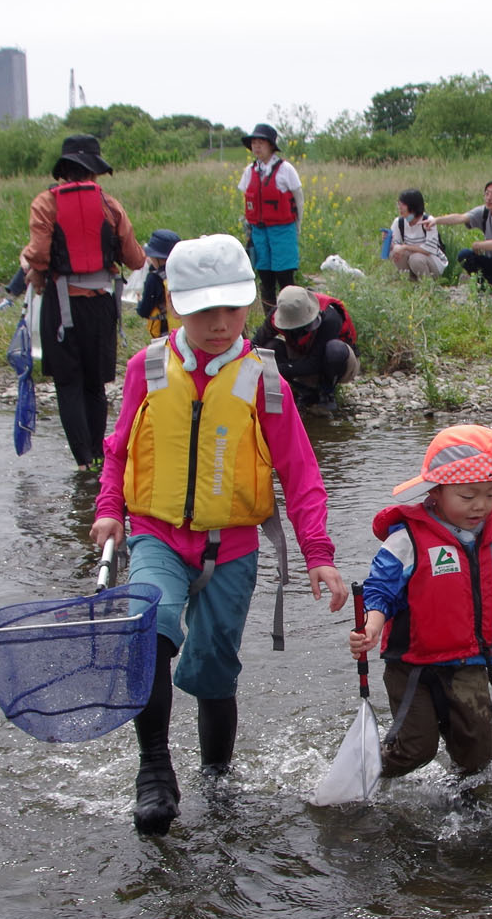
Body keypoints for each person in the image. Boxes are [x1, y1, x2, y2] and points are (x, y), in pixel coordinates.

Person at [92, 234, 346, 835]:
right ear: (176, 305)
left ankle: (217, 778)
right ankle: (154, 768)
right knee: (147, 624)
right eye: (203, 309)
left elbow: (301, 472)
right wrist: (109, 509)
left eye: (231, 309)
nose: (219, 323)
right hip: (156, 535)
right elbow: (118, 447)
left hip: (232, 547)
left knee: (213, 667)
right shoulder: (147, 367)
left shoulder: (264, 379)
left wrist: (319, 554)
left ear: (248, 308)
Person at [349, 425, 492, 778]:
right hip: (413, 665)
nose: (481, 506)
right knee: (416, 748)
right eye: (468, 496)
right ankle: (362, 774)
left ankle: (464, 807)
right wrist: (372, 626)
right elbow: (380, 590)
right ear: (436, 492)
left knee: (477, 756)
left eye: (490, 494)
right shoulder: (407, 539)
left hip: (469, 661)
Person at [20, 133, 146, 471]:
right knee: (95, 384)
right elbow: (135, 259)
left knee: (68, 384)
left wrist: (27, 261)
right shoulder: (110, 205)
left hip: (61, 309)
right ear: (93, 172)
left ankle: (82, 461)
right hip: (101, 307)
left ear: (64, 170)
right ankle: (100, 454)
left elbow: (39, 255)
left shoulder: (44, 204)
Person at [253, 284, 359, 415]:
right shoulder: (279, 312)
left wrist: (276, 370)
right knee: (270, 347)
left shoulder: (330, 317)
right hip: (303, 356)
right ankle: (302, 391)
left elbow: (315, 363)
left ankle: (327, 392)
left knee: (335, 350)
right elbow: (255, 344)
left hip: (338, 363)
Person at [238, 122, 304, 313]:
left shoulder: (285, 170)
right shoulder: (249, 171)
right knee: (265, 278)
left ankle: (292, 320)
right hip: (258, 232)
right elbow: (248, 202)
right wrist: (248, 230)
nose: (256, 147)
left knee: (285, 279)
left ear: (271, 146)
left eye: (261, 142)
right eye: (254, 143)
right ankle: (270, 321)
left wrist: (297, 226)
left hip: (282, 231)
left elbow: (298, 199)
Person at [429, 181, 492, 294]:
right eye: (486, 194)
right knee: (464, 255)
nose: (489, 198)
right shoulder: (483, 212)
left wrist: (479, 245)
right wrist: (436, 220)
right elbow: (460, 217)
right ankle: (487, 284)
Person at [387, 188, 447, 280]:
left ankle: (427, 284)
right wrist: (389, 242)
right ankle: (410, 282)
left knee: (416, 258)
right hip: (412, 259)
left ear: (412, 206)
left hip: (432, 261)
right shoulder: (399, 222)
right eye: (399, 204)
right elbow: (395, 244)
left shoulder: (428, 221)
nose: (400, 208)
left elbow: (428, 249)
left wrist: (405, 247)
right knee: (396, 253)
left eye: (403, 205)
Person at [135, 228, 180, 340]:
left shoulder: (153, 279)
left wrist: (139, 302)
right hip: (184, 333)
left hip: (163, 335)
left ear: (156, 258)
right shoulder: (182, 273)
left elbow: (144, 311)